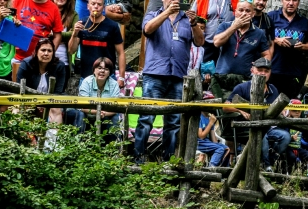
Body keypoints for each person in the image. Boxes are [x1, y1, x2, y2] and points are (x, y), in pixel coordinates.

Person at [134, 0, 204, 162]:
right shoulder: (153, 15)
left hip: (178, 76)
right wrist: (167, 12)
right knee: (146, 118)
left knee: (173, 122)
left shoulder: (187, 19)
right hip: (155, 74)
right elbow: (147, 30)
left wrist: (194, 24)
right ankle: (139, 158)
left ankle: (169, 161)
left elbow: (200, 42)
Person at [224, 58, 288, 170]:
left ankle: (269, 161)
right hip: (246, 127)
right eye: (260, 70)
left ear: (270, 73)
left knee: (285, 137)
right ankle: (267, 166)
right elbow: (225, 106)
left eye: (266, 71)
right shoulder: (242, 87)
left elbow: (277, 108)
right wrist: (240, 110)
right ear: (252, 70)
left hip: (268, 127)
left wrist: (282, 110)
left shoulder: (273, 89)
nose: (263, 73)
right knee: (261, 135)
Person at [267, 0, 308, 99]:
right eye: (288, 0)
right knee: (269, 104)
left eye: (295, 0)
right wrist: (276, 40)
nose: (291, 3)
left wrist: (302, 46)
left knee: (289, 105)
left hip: (293, 73)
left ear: (299, 2)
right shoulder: (271, 16)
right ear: (282, 1)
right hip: (272, 71)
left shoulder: (304, 22)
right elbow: (260, 37)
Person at [68, 0, 125, 83]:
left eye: (99, 4)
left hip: (108, 77)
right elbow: (71, 50)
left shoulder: (112, 26)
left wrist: (121, 77)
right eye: (93, 4)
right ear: (88, 6)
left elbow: (121, 53)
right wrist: (74, 34)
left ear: (103, 7)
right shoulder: (82, 24)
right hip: (86, 77)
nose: (96, 7)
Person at [214, 0, 270, 77]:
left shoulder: (259, 33)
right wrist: (234, 27)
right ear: (235, 12)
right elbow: (217, 43)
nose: (244, 14)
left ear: (253, 14)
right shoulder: (224, 26)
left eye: (248, 11)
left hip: (245, 78)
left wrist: (259, 66)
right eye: (241, 10)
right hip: (222, 76)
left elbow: (266, 54)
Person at [11, 0, 63, 79]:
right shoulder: (18, 1)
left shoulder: (53, 8)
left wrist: (47, 54)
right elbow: (7, 20)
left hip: (40, 62)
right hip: (17, 57)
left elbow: (58, 35)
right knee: (16, 86)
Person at [76, 56, 121, 139]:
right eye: (99, 68)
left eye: (106, 69)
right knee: (80, 114)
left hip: (106, 116)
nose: (102, 71)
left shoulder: (114, 84)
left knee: (115, 118)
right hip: (88, 115)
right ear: (94, 70)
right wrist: (97, 112)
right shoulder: (86, 82)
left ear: (109, 73)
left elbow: (115, 108)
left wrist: (104, 114)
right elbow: (82, 106)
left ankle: (115, 145)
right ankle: (78, 142)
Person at [193, 0, 233, 65]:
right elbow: (192, 19)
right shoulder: (201, 1)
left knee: (225, 69)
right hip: (207, 43)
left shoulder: (236, 1)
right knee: (206, 69)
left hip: (228, 43)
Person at [52, 0, 76, 70]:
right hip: (45, 59)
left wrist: (53, 34)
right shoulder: (46, 11)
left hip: (64, 60)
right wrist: (65, 35)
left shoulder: (73, 14)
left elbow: (74, 33)